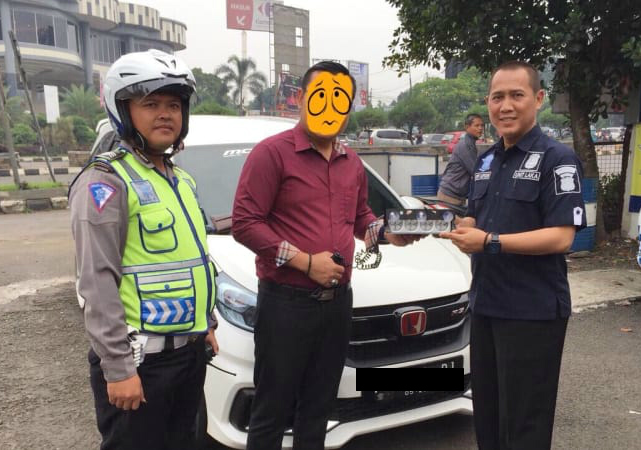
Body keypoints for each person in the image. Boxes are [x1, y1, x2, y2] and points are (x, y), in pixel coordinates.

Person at [232, 60, 418, 450]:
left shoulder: (352, 163)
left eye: (341, 100)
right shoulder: (272, 154)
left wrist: (387, 235)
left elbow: (360, 218)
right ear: (300, 99)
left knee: (317, 409)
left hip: (336, 306)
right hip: (286, 305)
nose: (331, 107)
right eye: (321, 97)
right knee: (272, 411)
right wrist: (304, 261)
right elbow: (245, 223)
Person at [69, 49, 218, 450]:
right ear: (123, 110)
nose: (165, 114)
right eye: (150, 104)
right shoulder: (106, 182)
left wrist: (207, 323)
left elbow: (192, 259)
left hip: (188, 355)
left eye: (173, 104)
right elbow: (96, 282)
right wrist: (117, 368)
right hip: (139, 362)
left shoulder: (180, 180)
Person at [439, 61, 586, 450]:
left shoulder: (558, 159)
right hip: (486, 306)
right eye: (497, 97)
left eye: (516, 95)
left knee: (524, 426)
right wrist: (454, 227)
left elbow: (561, 236)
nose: (505, 105)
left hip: (532, 313)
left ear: (538, 99)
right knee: (487, 418)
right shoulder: (486, 160)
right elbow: (475, 216)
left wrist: (489, 241)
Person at [437, 114, 484, 206]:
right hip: (450, 196)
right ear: (467, 127)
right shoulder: (465, 146)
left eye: (482, 125)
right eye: (477, 125)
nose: (480, 128)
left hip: (456, 195)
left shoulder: (470, 144)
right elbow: (475, 171)